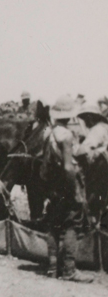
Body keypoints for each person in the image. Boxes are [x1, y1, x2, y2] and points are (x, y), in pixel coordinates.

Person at [40, 95, 93, 283]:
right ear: (70, 116)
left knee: (53, 226)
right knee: (72, 224)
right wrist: (75, 191)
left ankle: (52, 268)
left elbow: (44, 166)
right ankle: (69, 270)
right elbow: (69, 167)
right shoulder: (67, 136)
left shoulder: (49, 134)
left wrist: (47, 188)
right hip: (67, 186)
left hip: (53, 186)